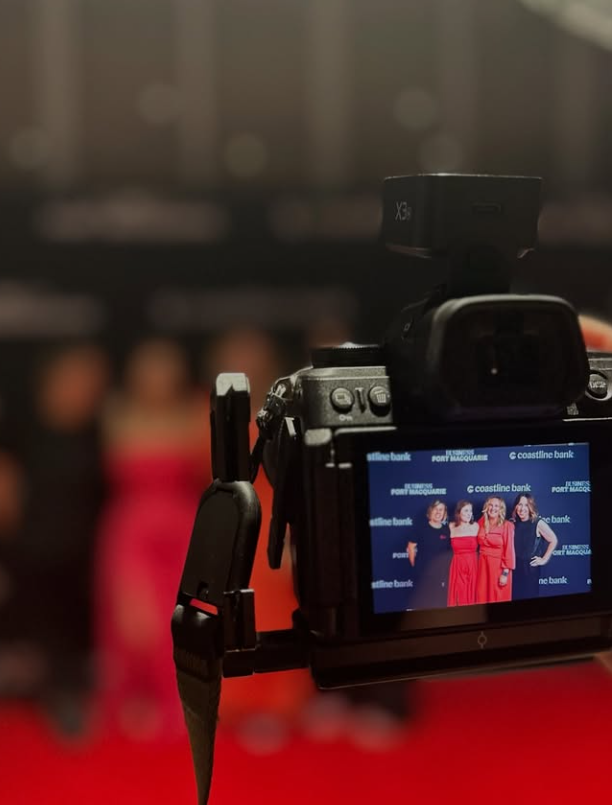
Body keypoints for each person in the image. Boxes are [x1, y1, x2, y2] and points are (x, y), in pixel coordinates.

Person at [511, 494, 558, 601]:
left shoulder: (538, 523)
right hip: (515, 569)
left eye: (526, 505)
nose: (522, 508)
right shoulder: (513, 523)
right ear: (516, 506)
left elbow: (553, 539)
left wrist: (544, 559)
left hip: (530, 570)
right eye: (520, 504)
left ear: (531, 507)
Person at [407, 500, 451, 609]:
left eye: (441, 510)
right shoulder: (421, 528)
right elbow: (411, 546)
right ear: (430, 512)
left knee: (440, 602)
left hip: (441, 575)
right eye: (435, 509)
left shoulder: (447, 530)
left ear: (444, 513)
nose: (438, 512)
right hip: (424, 573)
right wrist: (415, 566)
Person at [476, 497, 515, 603]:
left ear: (501, 509)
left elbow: (509, 551)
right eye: (490, 505)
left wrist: (505, 573)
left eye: (496, 506)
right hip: (482, 566)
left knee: (498, 598)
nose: (493, 508)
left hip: (498, 568)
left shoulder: (507, 526)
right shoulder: (481, 522)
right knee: (482, 597)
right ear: (486, 507)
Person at [448, 500, 479, 606]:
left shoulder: (476, 526)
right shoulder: (451, 527)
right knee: (458, 596)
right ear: (458, 513)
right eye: (466, 510)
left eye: (470, 511)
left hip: (473, 565)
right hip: (457, 566)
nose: (469, 513)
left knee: (473, 596)